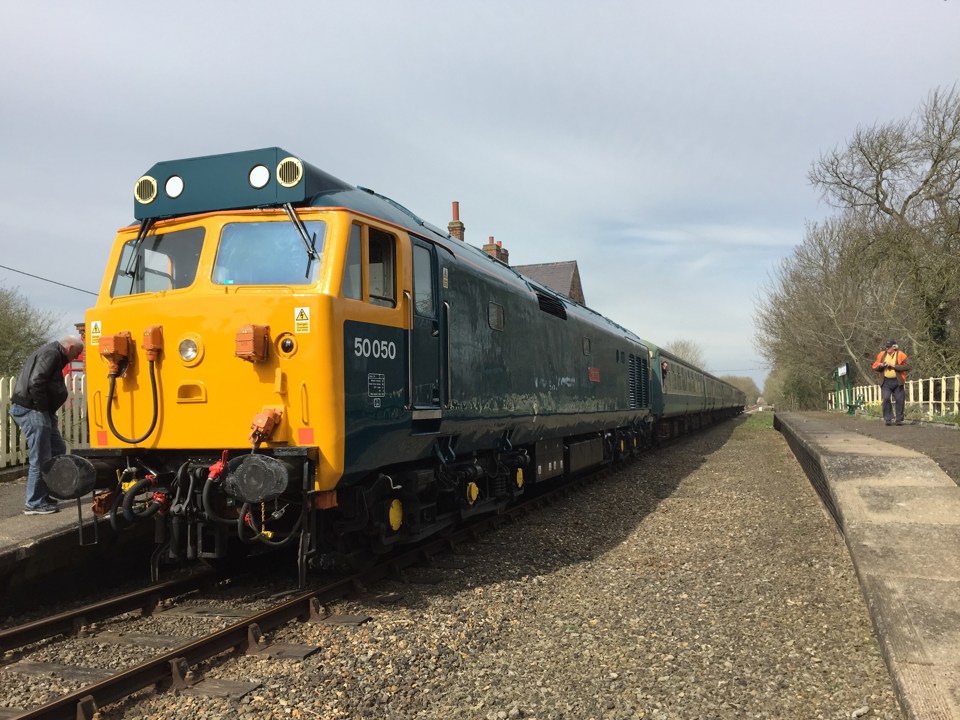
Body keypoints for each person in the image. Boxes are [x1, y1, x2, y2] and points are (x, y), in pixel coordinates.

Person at [8, 335, 85, 514]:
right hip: (33, 410)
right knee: (41, 457)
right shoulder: (51, 354)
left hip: (38, 410)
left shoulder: (54, 354)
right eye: (78, 352)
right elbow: (36, 382)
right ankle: (34, 503)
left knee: (57, 449)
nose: (77, 356)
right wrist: (42, 409)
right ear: (70, 347)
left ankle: (43, 494)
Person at [871, 339, 910, 426]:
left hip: (898, 381)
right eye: (886, 347)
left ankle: (899, 419)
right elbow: (874, 366)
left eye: (889, 347)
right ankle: (888, 419)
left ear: (894, 347)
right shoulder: (881, 354)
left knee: (900, 399)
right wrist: (880, 366)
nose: (887, 348)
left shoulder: (900, 354)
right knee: (886, 398)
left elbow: (908, 366)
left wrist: (893, 366)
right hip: (885, 381)